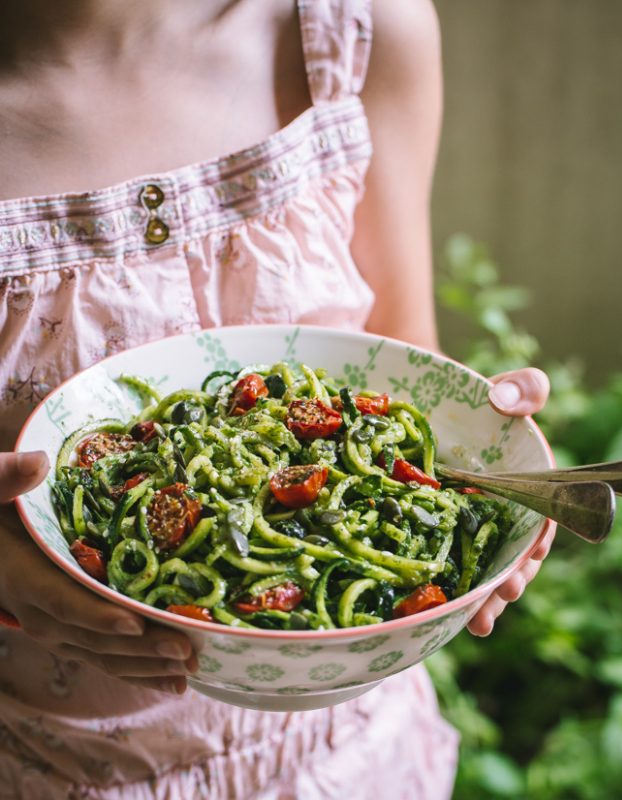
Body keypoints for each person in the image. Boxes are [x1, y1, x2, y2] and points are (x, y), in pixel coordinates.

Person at [0, 1, 552, 797]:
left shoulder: (362, 33)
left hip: (351, 752)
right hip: (53, 766)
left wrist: (491, 444)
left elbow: (404, 374)